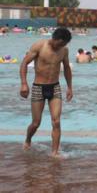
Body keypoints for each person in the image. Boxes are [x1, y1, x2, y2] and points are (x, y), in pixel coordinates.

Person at [19, 28, 73, 157]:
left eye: (64, 44)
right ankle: (28, 140)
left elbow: (66, 68)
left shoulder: (64, 50)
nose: (61, 46)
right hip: (39, 87)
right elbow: (24, 63)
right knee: (36, 123)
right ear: (54, 39)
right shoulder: (39, 46)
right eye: (60, 44)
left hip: (55, 87)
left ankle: (54, 152)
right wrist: (24, 84)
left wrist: (70, 87)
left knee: (56, 121)